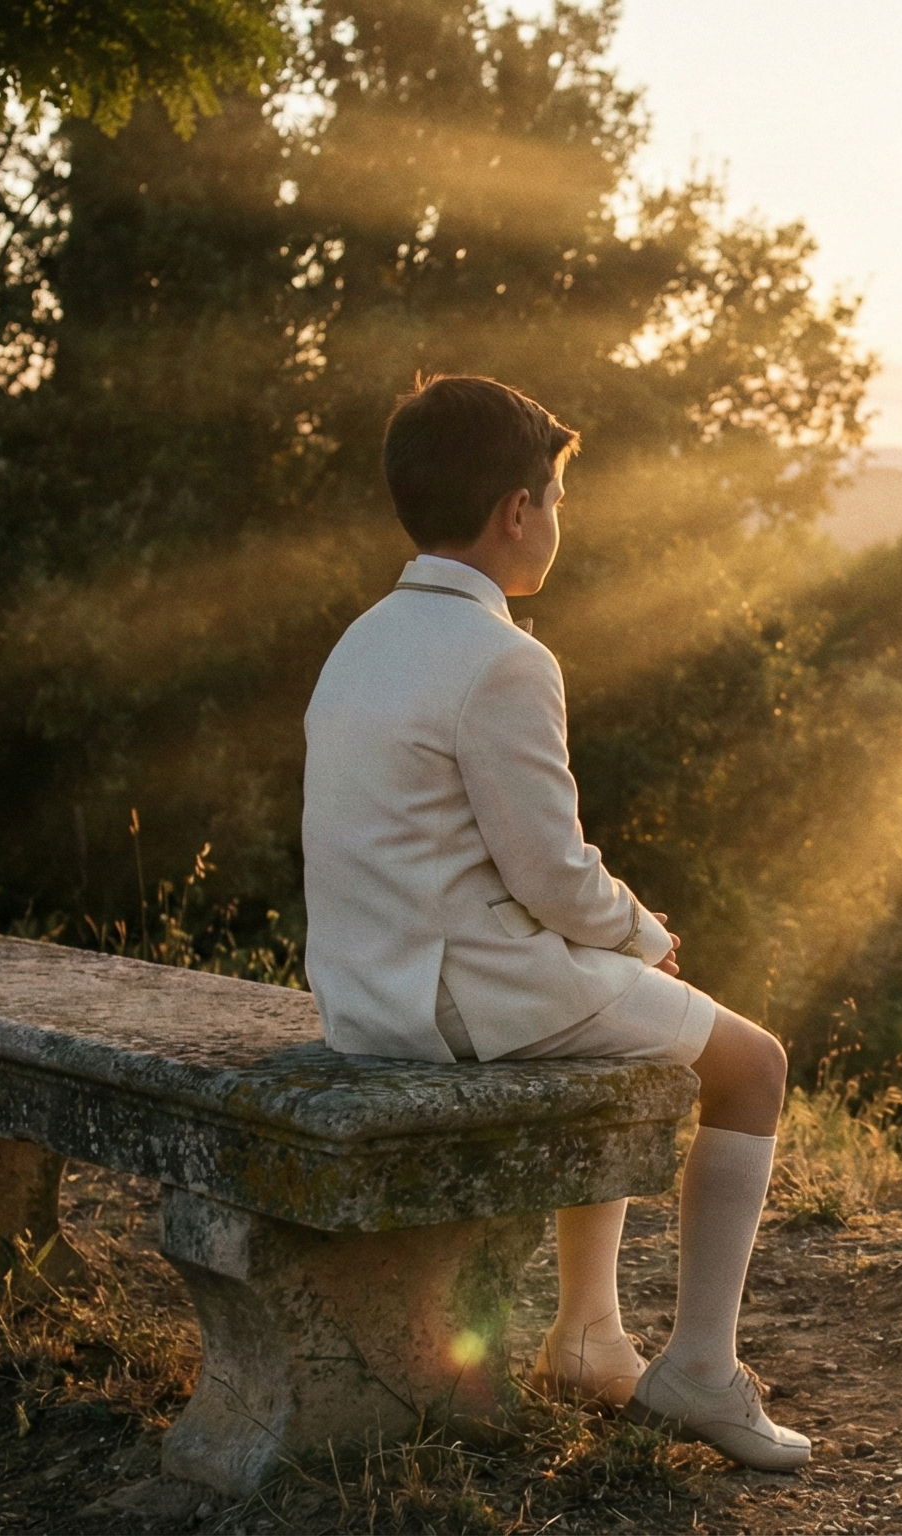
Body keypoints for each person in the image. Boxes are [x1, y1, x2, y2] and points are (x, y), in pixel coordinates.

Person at [299, 374, 808, 1472]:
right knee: (751, 1064)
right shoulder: (504, 659)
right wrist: (645, 936)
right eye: (559, 499)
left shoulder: (363, 639)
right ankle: (700, 1371)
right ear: (517, 511)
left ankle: (589, 1338)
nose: (560, 520)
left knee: (619, 1000)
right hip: (459, 994)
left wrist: (609, 939)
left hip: (366, 990)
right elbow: (553, 878)